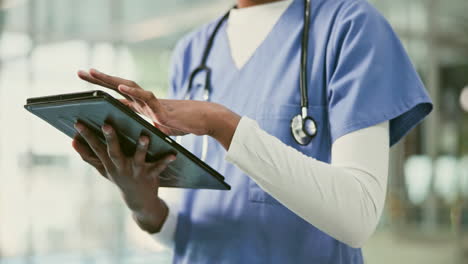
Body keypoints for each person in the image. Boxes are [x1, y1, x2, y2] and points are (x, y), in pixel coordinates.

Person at [73, 0, 433, 263]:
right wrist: (142, 202)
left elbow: (359, 218)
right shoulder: (193, 51)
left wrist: (222, 124)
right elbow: (191, 229)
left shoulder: (350, 25)